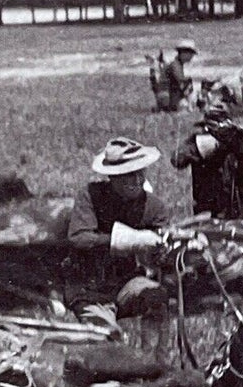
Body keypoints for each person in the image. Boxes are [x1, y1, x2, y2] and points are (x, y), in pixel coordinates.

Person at [65, 137, 174, 319]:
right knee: (103, 334)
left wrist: (168, 249)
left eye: (141, 172)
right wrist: (134, 240)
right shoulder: (90, 196)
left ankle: (156, 349)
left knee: (157, 298)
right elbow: (79, 238)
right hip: (90, 288)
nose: (137, 180)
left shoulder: (153, 206)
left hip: (128, 281)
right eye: (128, 175)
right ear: (112, 176)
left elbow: (162, 257)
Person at [164, 41, 197, 111]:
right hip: (172, 100)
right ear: (184, 53)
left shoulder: (177, 64)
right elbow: (181, 82)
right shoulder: (175, 66)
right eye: (191, 54)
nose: (192, 57)